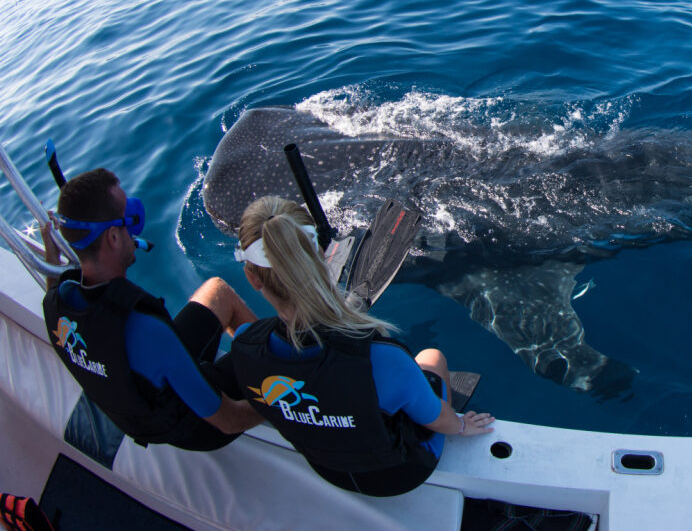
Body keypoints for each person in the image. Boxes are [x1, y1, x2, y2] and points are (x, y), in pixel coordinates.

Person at [228, 196, 494, 497]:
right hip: (400, 473)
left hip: (327, 468)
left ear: (251, 277)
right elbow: (438, 420)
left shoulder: (244, 344)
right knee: (431, 358)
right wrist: (460, 426)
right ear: (326, 255)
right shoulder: (383, 359)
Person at [41, 168, 262, 450]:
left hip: (144, 405)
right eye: (127, 223)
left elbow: (52, 290)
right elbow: (228, 420)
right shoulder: (146, 331)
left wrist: (51, 252)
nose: (135, 231)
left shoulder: (56, 306)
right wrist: (289, 411)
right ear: (112, 238)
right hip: (199, 428)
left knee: (217, 291)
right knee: (265, 359)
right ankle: (289, 363)